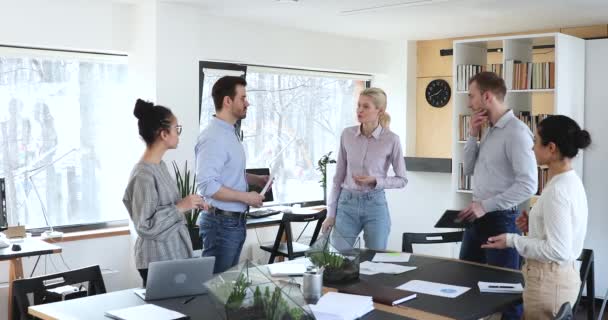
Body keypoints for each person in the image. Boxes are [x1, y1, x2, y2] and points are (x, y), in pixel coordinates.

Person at [482, 115, 590, 320]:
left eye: (536, 142)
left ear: (551, 148)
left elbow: (557, 249)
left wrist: (512, 240)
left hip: (549, 284)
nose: (532, 148)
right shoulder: (570, 181)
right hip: (558, 280)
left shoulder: (557, 191)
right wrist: (534, 224)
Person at [457, 72, 538, 319]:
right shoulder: (489, 129)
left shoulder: (516, 132)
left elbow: (529, 185)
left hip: (501, 220)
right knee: (466, 283)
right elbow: (468, 168)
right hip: (477, 218)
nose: (469, 103)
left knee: (505, 294)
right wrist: (472, 133)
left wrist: (486, 205)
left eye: (471, 97)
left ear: (487, 96)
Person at [123, 99, 206, 286]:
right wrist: (180, 207)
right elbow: (144, 225)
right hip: (157, 259)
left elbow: (173, 205)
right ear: (164, 134)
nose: (179, 134)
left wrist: (193, 202)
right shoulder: (143, 175)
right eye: (177, 128)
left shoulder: (159, 165)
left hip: (173, 254)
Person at [196, 76, 268, 273]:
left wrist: (256, 180)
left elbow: (228, 174)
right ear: (228, 101)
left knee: (225, 289)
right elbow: (207, 185)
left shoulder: (229, 132)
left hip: (233, 223)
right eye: (243, 98)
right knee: (215, 290)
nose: (247, 103)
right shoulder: (213, 137)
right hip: (221, 224)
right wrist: (247, 197)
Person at [321, 87, 407, 250]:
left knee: (376, 258)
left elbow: (402, 180)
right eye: (358, 105)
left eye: (365, 106)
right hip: (346, 204)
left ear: (379, 111)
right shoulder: (347, 135)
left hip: (375, 205)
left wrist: (376, 181)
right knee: (338, 259)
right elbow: (338, 177)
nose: (359, 110)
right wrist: (331, 214)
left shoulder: (391, 140)